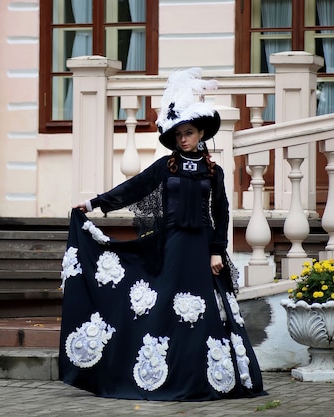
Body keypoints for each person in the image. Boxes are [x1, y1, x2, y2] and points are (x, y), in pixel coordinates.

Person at [59, 68, 266, 401]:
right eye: (178, 134)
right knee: (163, 307)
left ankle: (202, 379)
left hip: (200, 249)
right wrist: (94, 203)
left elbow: (221, 213)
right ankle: (157, 374)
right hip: (169, 246)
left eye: (189, 132)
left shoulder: (213, 171)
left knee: (201, 312)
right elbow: (132, 188)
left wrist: (217, 251)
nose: (183, 138)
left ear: (200, 133)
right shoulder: (164, 167)